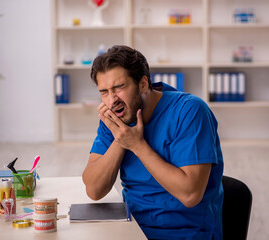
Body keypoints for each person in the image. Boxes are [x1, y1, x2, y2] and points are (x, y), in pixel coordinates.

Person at [82, 45, 224, 240]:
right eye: (104, 92)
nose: (112, 100)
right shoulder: (114, 118)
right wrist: (120, 139)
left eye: (119, 88)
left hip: (185, 234)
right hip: (132, 231)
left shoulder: (190, 111)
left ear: (143, 84)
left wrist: (137, 145)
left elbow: (190, 194)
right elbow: (94, 190)